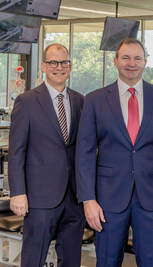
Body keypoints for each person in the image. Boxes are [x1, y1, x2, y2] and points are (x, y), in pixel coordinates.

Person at [75, 38, 153, 266]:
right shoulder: (94, 100)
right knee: (106, 261)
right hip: (107, 200)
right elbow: (84, 153)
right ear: (115, 61)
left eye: (137, 58)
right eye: (125, 57)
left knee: (150, 261)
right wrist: (88, 200)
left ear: (145, 62)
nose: (131, 63)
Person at [8, 43, 85, 267]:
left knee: (71, 260)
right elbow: (16, 151)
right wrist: (18, 193)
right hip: (39, 199)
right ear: (43, 66)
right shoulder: (27, 101)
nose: (59, 67)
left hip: (74, 198)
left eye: (64, 62)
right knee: (34, 259)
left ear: (70, 66)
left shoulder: (81, 101)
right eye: (53, 62)